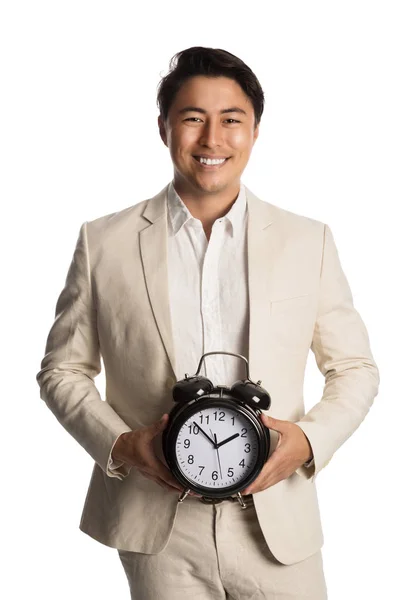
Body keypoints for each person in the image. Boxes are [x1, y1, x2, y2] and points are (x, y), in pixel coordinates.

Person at [36, 46, 380, 599]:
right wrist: (123, 445)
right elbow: (62, 370)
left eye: (231, 120)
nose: (212, 139)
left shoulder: (306, 240)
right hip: (158, 525)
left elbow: (356, 367)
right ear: (164, 128)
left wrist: (309, 442)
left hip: (274, 519)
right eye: (192, 118)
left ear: (255, 130)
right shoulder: (104, 243)